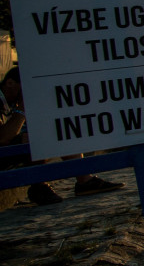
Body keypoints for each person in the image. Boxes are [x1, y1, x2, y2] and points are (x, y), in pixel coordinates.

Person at [0, 67, 124, 202]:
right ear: (10, 83)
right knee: (36, 137)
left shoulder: (10, 103)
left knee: (57, 130)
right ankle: (42, 185)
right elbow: (3, 138)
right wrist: (22, 108)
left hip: (7, 152)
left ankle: (83, 179)